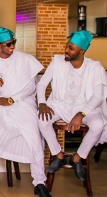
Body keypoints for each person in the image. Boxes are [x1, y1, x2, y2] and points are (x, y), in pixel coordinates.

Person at [0, 28, 51, 197]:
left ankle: (39, 181)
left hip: (22, 103)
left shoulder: (25, 59)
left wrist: (10, 100)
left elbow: (31, 87)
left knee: (33, 132)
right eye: (8, 44)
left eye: (13, 43)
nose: (12, 47)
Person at [37, 30, 107, 182]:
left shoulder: (95, 68)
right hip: (60, 104)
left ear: (82, 51)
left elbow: (98, 96)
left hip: (86, 107)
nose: (66, 50)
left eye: (71, 48)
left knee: (98, 124)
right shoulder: (57, 61)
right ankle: (58, 154)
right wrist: (42, 103)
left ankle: (78, 157)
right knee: (42, 120)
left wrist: (81, 114)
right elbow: (42, 83)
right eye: (67, 46)